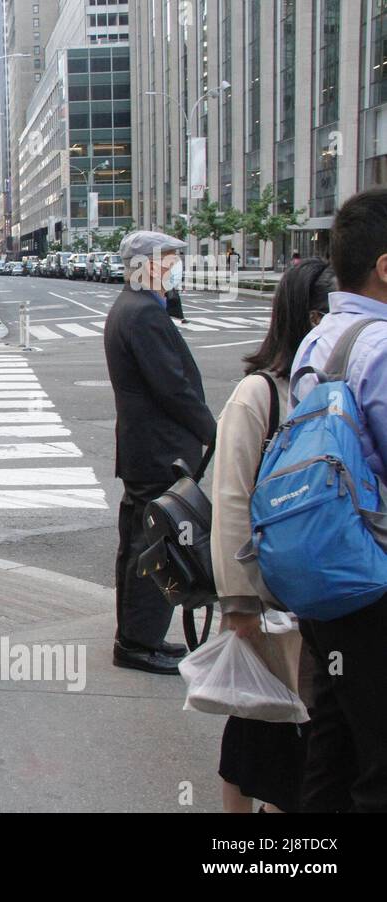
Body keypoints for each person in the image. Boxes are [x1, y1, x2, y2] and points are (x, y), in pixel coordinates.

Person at [210, 260, 331, 813]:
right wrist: (238, 602)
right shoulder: (260, 394)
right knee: (259, 725)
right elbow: (231, 500)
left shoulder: (343, 385)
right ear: (311, 316)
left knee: (306, 736)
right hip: (269, 600)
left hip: (325, 596)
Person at [288, 188, 387, 812]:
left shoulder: (319, 339)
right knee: (379, 760)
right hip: (374, 577)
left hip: (323, 571)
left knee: (333, 738)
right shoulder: (379, 346)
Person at [103, 230, 216, 674]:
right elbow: (172, 387)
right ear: (145, 264)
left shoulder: (133, 307)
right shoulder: (143, 313)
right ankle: (137, 642)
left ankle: (137, 636)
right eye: (168, 259)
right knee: (154, 548)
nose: (174, 267)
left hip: (144, 450)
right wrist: (213, 430)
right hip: (158, 451)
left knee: (137, 545)